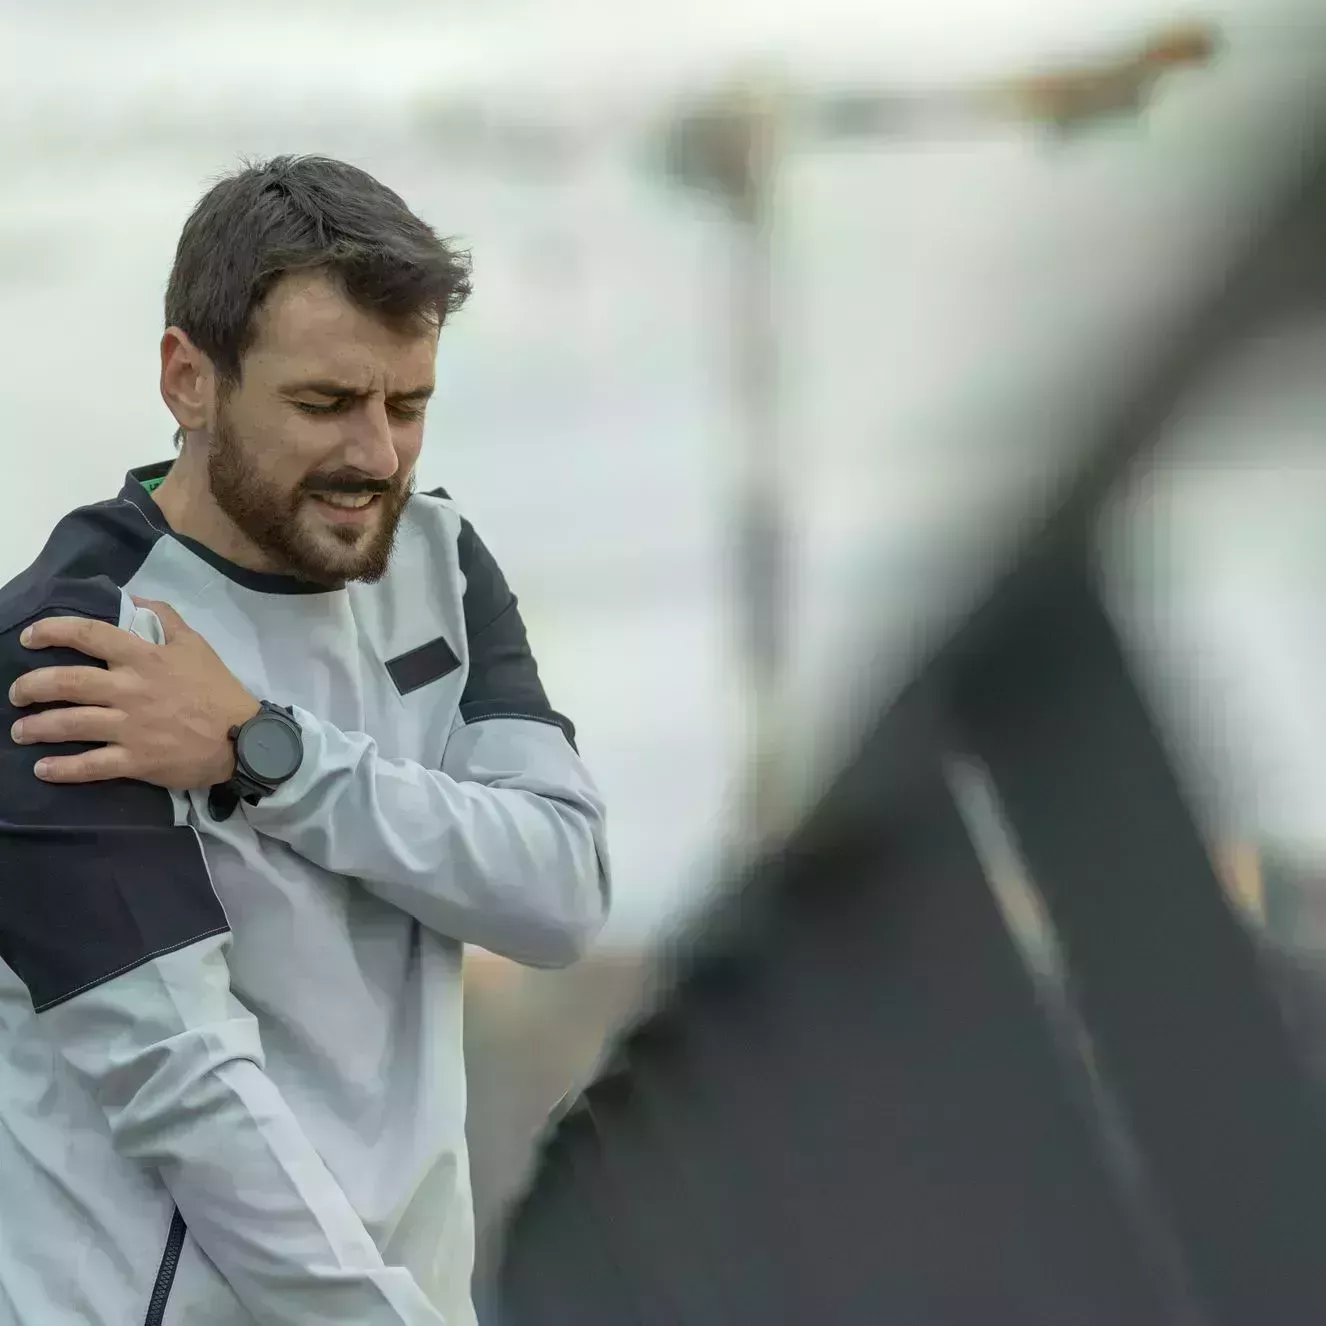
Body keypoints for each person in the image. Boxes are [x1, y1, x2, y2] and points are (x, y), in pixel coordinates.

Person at [0, 155, 610, 1325]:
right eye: (326, 404)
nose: (376, 455)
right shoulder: (68, 645)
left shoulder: (438, 564)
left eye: (410, 404)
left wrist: (262, 750)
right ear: (191, 379)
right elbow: (183, 1087)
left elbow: (558, 890)